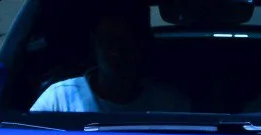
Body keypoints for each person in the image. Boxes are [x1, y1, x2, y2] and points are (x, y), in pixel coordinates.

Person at [31, 8, 189, 113]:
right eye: (110, 41)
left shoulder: (169, 104)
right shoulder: (59, 99)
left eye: (127, 41)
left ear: (140, 45)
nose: (118, 52)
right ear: (94, 44)